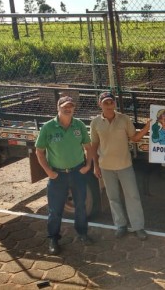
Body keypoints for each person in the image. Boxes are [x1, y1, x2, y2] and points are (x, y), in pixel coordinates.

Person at [35, 95, 95, 255]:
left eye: (71, 106)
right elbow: (39, 151)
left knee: (81, 206)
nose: (68, 109)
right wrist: (49, 172)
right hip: (57, 176)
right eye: (65, 106)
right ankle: (53, 239)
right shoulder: (48, 127)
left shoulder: (79, 125)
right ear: (58, 108)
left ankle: (82, 233)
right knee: (55, 210)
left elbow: (89, 147)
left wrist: (88, 165)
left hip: (77, 173)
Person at [90, 91, 150, 240]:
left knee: (133, 196)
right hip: (106, 167)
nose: (109, 105)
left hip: (124, 165)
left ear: (115, 103)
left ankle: (138, 227)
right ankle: (120, 225)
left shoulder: (124, 119)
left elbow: (134, 138)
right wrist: (95, 166)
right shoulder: (95, 123)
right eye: (105, 103)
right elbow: (94, 145)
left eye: (111, 102)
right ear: (100, 104)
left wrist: (147, 127)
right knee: (113, 197)